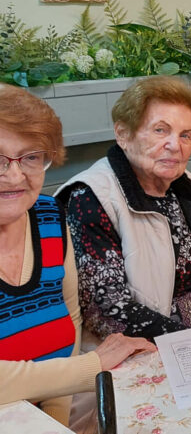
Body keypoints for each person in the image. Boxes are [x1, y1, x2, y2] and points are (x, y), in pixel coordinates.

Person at [0, 85, 154, 426]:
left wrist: (57, 418)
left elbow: (69, 320)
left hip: (55, 405)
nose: (14, 175)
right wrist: (91, 367)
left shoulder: (49, 217)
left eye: (31, 157)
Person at [56, 76, 191, 341]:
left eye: (186, 135)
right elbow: (106, 310)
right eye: (161, 130)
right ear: (123, 134)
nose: (175, 145)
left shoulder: (182, 183)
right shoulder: (90, 197)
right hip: (146, 350)